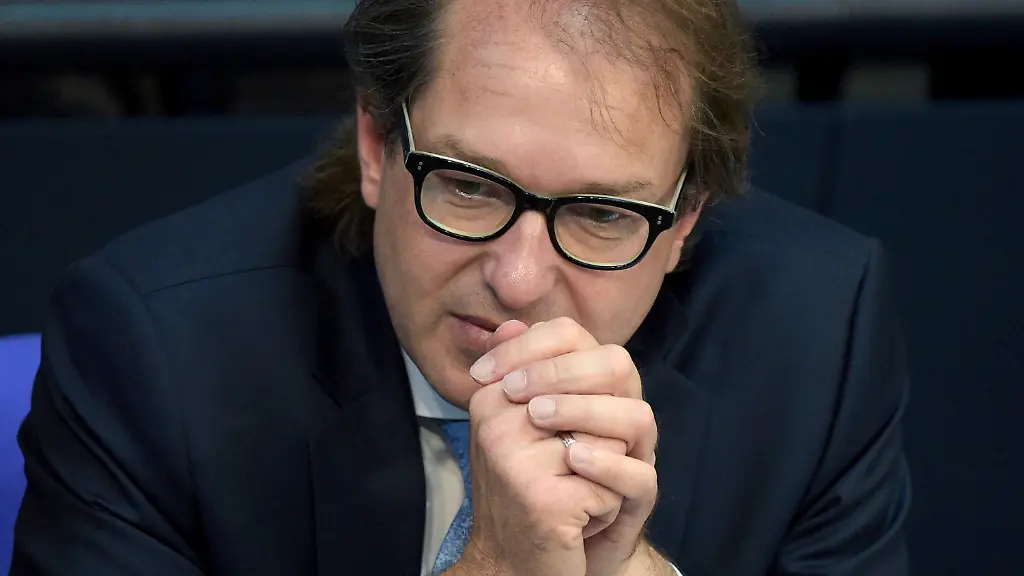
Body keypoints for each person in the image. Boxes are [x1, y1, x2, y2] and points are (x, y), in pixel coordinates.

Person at [10, 0, 911, 574]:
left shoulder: (815, 334)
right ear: (376, 145)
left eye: (602, 213)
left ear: (683, 223)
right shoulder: (155, 348)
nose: (518, 281)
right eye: (469, 187)